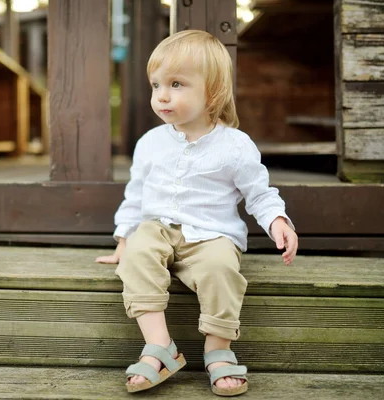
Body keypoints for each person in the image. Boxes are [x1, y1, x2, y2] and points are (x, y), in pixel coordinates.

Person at [96, 29, 298, 397]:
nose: (163, 96)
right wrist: (123, 238)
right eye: (156, 84)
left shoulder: (234, 146)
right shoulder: (150, 143)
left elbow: (259, 193)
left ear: (214, 91)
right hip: (156, 228)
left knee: (222, 269)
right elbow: (136, 194)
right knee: (138, 256)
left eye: (176, 84)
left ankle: (218, 349)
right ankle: (160, 346)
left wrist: (277, 222)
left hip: (212, 234)